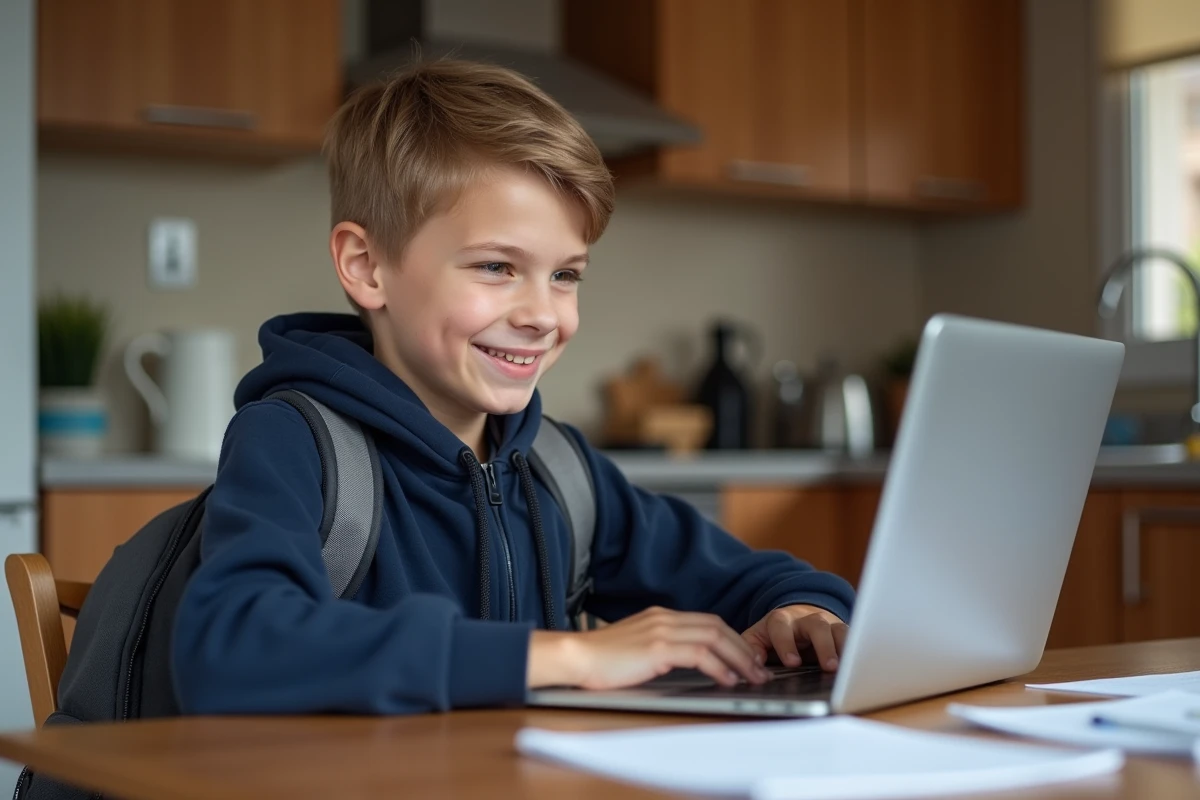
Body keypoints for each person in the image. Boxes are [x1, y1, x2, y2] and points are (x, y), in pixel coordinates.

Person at [171, 59, 855, 715]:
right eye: (498, 266)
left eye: (566, 275)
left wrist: (808, 613)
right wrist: (562, 657)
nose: (542, 315)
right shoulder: (293, 440)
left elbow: (759, 581)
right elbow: (229, 647)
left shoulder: (560, 469)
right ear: (367, 266)